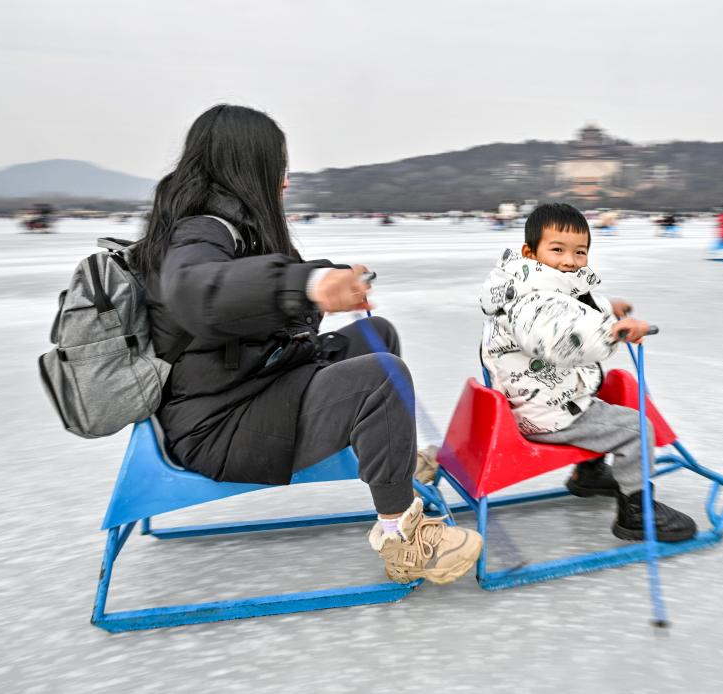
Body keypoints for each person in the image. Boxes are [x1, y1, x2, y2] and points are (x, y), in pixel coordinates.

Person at [134, 104, 481, 584]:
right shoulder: (199, 229)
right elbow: (199, 291)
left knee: (374, 336)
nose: (285, 181)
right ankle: (402, 538)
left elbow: (262, 298)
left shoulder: (236, 225)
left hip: (255, 387)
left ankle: (390, 463)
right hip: (220, 423)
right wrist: (308, 284)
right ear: (247, 164)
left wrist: (328, 282)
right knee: (380, 376)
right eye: (279, 167)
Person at [479, 203, 697, 542]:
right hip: (549, 413)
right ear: (530, 252)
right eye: (558, 250)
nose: (570, 260)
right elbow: (561, 335)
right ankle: (636, 512)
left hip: (545, 399)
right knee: (635, 429)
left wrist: (609, 308)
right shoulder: (530, 304)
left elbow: (573, 305)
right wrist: (613, 332)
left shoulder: (530, 286)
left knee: (606, 401)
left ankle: (590, 472)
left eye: (580, 252)